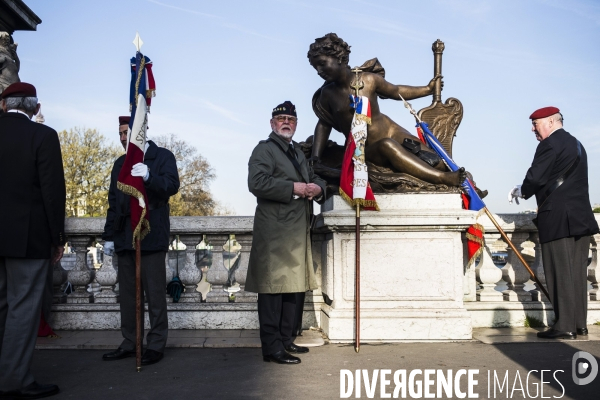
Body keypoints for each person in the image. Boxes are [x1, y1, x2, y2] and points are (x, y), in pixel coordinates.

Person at [307, 33, 465, 187]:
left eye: (322, 64)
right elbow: (324, 125)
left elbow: (396, 91)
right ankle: (442, 179)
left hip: (393, 131)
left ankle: (451, 178)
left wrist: (427, 89)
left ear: (339, 57)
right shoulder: (326, 95)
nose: (319, 71)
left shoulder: (368, 79)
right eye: (315, 68)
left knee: (438, 163)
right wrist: (315, 157)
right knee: (388, 146)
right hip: (367, 149)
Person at [246, 101, 327, 364]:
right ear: (272, 124)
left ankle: (285, 340)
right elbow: (257, 183)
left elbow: (316, 177)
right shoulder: (265, 150)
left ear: (296, 124)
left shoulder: (297, 153)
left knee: (294, 289)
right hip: (275, 233)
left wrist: (317, 188)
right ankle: (271, 349)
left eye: (290, 119)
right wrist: (295, 188)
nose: (286, 123)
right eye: (281, 119)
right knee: (272, 292)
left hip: (297, 232)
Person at [509, 106, 599, 339]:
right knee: (577, 273)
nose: (533, 129)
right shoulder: (577, 144)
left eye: (536, 124)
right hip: (580, 217)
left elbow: (536, 176)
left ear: (550, 122)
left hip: (558, 217)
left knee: (559, 273)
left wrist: (522, 190)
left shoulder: (549, 144)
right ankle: (580, 324)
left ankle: (564, 326)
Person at [0, 82, 64, 399]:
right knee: (23, 311)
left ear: (3, 105)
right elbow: (52, 194)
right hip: (28, 239)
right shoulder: (43, 136)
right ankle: (13, 380)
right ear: (35, 108)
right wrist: (58, 239)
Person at [101, 116, 179, 365]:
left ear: (141, 132)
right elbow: (114, 203)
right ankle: (130, 341)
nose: (124, 138)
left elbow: (171, 186)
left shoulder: (162, 156)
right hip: (124, 236)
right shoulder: (120, 163)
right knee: (127, 296)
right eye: (121, 133)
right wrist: (109, 237)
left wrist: (149, 176)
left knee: (155, 294)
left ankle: (155, 344)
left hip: (151, 234)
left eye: (128, 133)